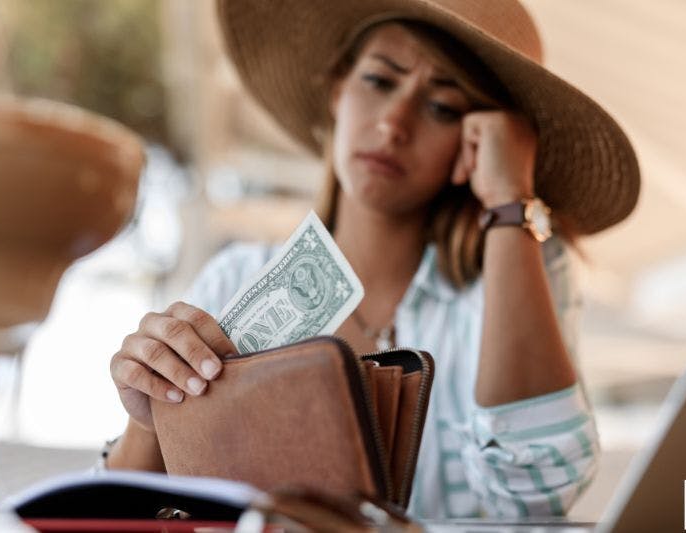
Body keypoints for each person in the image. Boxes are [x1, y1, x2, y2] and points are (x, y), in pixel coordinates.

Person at [104, 0, 640, 520]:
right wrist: (152, 418)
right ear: (337, 91)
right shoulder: (233, 280)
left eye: (443, 107)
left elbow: (538, 493)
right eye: (380, 81)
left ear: (478, 143)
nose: (393, 125)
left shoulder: (518, 268)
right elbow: (122, 517)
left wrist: (509, 203)